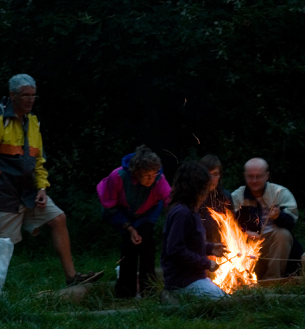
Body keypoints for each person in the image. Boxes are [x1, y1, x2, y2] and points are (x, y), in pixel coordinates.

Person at [0, 74, 103, 287]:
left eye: (33, 95)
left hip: (29, 191)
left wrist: (42, 188)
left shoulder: (33, 122)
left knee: (58, 218)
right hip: (6, 194)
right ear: (12, 95)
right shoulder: (1, 119)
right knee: (4, 245)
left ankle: (72, 277)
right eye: (25, 95)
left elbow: (39, 161)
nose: (30, 99)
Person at [97, 145, 172, 298]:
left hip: (148, 211)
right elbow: (109, 208)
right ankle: (125, 292)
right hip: (121, 212)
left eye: (154, 174)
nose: (151, 179)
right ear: (136, 173)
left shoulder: (159, 179)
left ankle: (149, 290)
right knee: (128, 246)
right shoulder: (117, 177)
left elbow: (170, 202)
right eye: (147, 175)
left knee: (147, 242)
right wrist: (129, 228)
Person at [161, 161, 228, 300]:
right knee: (225, 302)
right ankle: (174, 297)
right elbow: (176, 250)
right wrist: (207, 263)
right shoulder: (182, 213)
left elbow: (189, 243)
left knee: (224, 298)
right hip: (184, 282)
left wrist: (210, 248)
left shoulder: (190, 210)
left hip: (193, 279)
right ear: (196, 188)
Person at [232, 158, 301, 279]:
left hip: (274, 243)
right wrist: (243, 233)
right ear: (245, 176)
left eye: (258, 176)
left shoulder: (280, 193)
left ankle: (272, 280)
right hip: (248, 243)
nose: (254, 180)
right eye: (250, 176)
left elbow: (292, 222)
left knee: (282, 234)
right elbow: (227, 225)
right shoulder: (238, 196)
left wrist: (279, 216)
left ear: (267, 176)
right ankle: (242, 278)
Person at [198, 155, 234, 243]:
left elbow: (232, 226)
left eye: (215, 174)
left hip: (220, 247)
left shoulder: (225, 197)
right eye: (208, 174)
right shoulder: (193, 197)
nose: (212, 179)